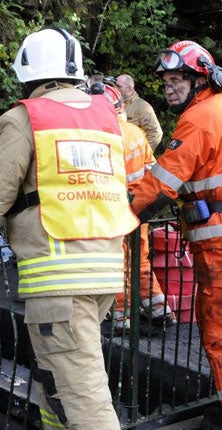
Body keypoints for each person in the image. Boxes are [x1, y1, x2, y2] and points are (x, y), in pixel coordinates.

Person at [0, 27, 138, 429]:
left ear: (27, 73)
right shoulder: (106, 118)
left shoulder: (26, 119)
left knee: (85, 399)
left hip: (58, 277)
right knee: (55, 381)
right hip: (105, 270)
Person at [129, 40, 222, 428]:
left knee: (217, 329)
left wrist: (116, 212)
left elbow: (162, 182)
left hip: (217, 246)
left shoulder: (199, 119)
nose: (169, 88)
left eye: (178, 79)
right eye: (166, 81)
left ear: (200, 78)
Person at [99, 84, 176, 332]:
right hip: (140, 206)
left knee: (117, 261)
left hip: (113, 209)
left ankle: (122, 315)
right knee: (140, 259)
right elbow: (152, 169)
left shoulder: (101, 136)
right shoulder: (135, 132)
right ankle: (158, 308)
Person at [116, 73, 164, 150]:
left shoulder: (142, 107)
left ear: (129, 89)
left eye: (119, 87)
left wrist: (143, 155)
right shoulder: (116, 104)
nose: (115, 89)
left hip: (133, 156)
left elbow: (156, 133)